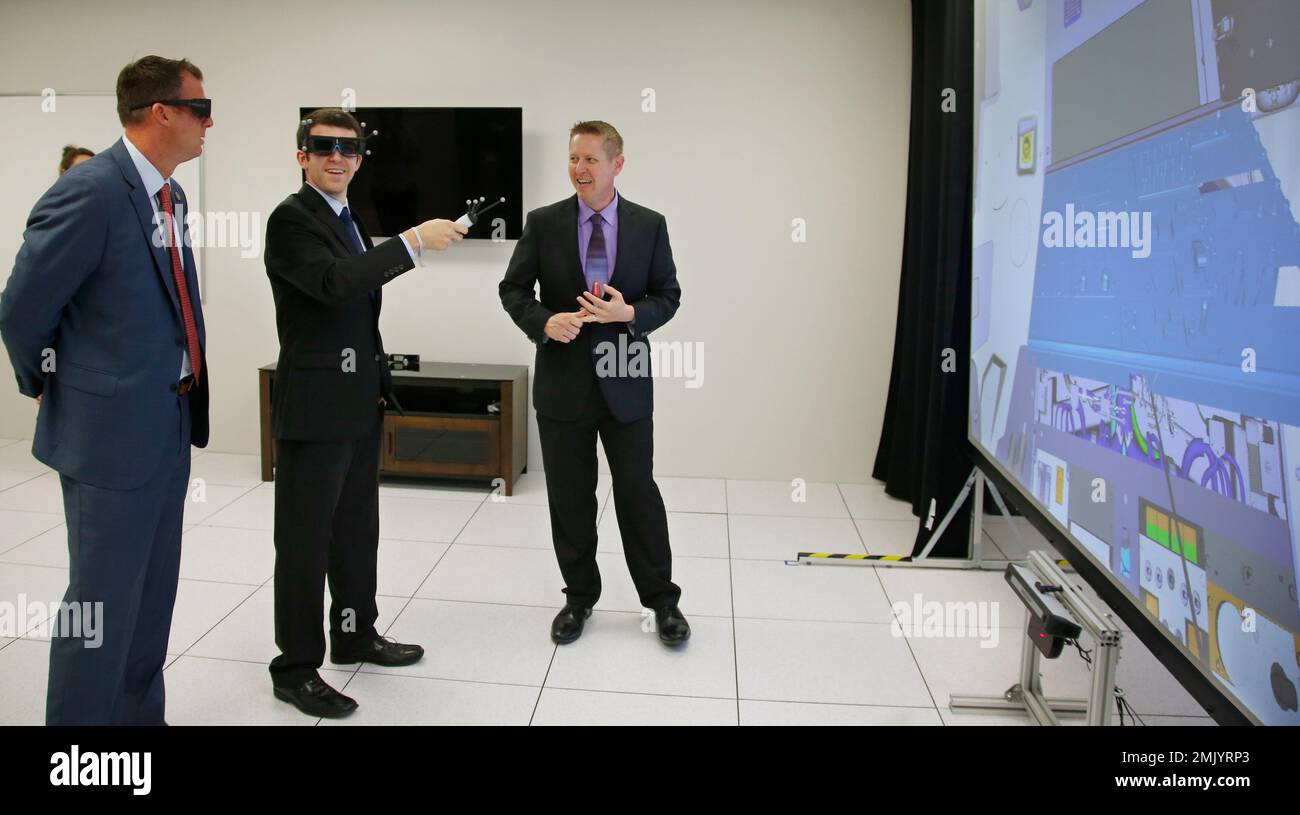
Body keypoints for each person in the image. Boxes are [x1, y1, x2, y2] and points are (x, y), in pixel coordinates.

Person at [0, 55, 213, 724]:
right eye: (201, 110)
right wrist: (52, 383)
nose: (210, 123)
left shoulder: (171, 195)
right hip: (110, 439)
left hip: (169, 423)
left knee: (151, 601)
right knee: (100, 610)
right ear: (162, 113)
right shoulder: (90, 190)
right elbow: (21, 308)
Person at [263, 107, 467, 717]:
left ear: (359, 158)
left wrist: (378, 381)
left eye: (348, 149)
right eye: (323, 147)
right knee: (305, 542)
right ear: (302, 155)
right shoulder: (290, 220)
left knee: (355, 533)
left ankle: (353, 633)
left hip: (356, 401)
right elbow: (333, 285)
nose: (336, 157)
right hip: (313, 407)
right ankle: (295, 667)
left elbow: (359, 309)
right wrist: (409, 244)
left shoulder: (350, 219)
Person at [499, 120, 689, 646]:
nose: (579, 169)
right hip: (563, 385)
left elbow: (668, 296)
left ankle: (662, 601)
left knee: (637, 494)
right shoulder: (543, 222)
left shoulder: (650, 225)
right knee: (570, 497)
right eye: (573, 160)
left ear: (616, 164)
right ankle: (579, 598)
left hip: (625, 384)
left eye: (590, 160)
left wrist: (631, 313)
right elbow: (513, 289)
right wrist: (543, 323)